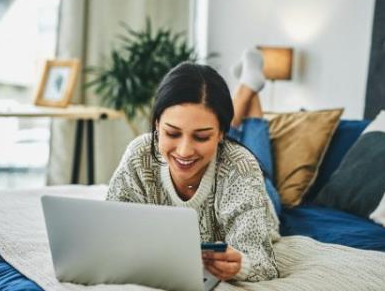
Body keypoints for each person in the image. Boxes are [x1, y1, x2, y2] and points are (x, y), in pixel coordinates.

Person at [106, 51, 280, 282]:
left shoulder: (242, 167)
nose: (184, 150)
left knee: (257, 161)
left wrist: (241, 266)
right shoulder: (139, 153)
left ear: (220, 134)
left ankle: (248, 87)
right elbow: (110, 230)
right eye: (172, 133)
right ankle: (249, 86)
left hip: (261, 194)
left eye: (201, 137)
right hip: (222, 157)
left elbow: (263, 263)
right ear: (157, 124)